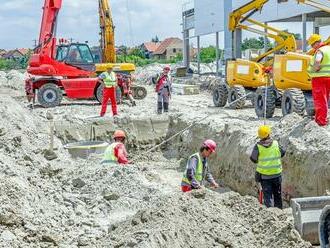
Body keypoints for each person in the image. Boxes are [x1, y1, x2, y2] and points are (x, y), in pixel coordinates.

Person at [250, 125, 286, 209]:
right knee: (277, 195)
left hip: (265, 177)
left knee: (268, 196)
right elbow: (283, 152)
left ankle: (270, 213)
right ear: (269, 134)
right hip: (277, 175)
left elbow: (253, 159)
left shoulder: (258, 146)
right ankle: (279, 212)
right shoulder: (276, 144)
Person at [307, 34, 330, 126]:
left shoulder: (320, 51)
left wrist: (314, 69)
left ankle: (321, 121)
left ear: (315, 43)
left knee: (320, 100)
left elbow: (317, 62)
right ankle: (321, 118)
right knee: (326, 99)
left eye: (312, 45)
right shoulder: (329, 48)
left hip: (320, 79)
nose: (312, 47)